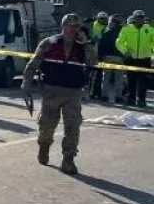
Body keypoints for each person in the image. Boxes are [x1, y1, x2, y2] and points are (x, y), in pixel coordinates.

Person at [22, 13, 98, 174]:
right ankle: (44, 147)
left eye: (76, 27)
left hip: (73, 93)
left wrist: (86, 43)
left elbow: (93, 63)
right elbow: (33, 64)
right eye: (70, 26)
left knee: (73, 126)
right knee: (47, 127)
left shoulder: (83, 46)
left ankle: (68, 160)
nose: (73, 29)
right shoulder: (49, 43)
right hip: (51, 92)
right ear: (63, 26)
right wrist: (26, 84)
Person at [117, 9, 153, 107]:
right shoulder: (126, 29)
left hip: (145, 59)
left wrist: (152, 53)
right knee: (131, 81)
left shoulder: (150, 29)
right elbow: (119, 42)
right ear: (134, 18)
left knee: (143, 82)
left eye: (141, 18)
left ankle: (141, 100)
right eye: (138, 18)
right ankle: (131, 99)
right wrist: (125, 51)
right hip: (131, 59)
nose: (140, 20)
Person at [96, 14, 124, 104]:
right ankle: (118, 97)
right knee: (118, 79)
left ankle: (104, 96)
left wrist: (100, 56)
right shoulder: (123, 32)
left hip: (107, 57)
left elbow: (101, 45)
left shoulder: (105, 32)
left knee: (106, 78)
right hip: (119, 58)